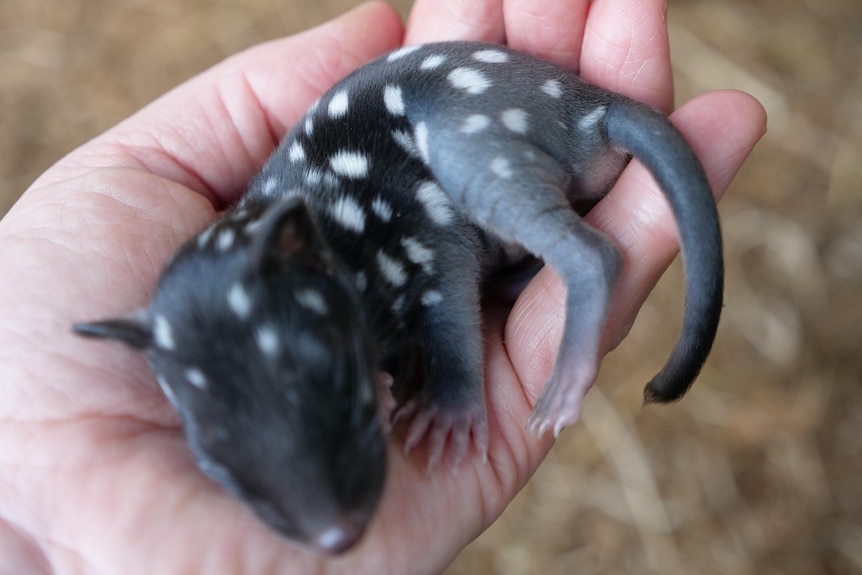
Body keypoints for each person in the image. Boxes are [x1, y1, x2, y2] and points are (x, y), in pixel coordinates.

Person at [0, 0, 766, 573]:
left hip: (518, 124)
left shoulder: (327, 259)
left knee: (455, 164)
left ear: (304, 264)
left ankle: (581, 266)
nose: (331, 533)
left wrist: (460, 383)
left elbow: (433, 258)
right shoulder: (277, 310)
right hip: (488, 176)